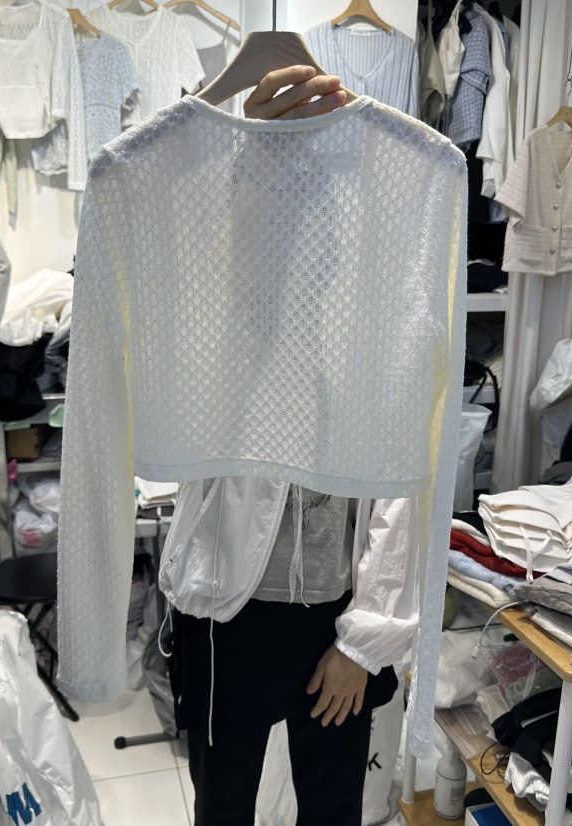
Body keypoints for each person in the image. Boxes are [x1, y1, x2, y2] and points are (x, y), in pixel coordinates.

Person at [166, 66, 417, 826]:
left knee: (333, 808)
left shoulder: (370, 328)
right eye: (259, 201)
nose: (287, 229)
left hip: (332, 612)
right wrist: (237, 138)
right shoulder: (206, 312)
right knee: (223, 806)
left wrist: (364, 641)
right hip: (225, 610)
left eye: (312, 205)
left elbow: (403, 487)